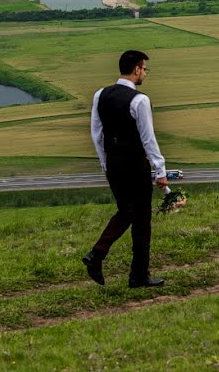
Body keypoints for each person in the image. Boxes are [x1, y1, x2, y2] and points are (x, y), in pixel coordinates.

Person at [83, 50, 167, 288]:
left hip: (113, 162)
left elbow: (96, 133)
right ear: (137, 69)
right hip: (134, 163)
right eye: (144, 69)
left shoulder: (100, 95)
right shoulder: (139, 100)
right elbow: (147, 137)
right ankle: (118, 265)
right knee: (140, 218)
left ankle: (118, 265)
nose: (145, 74)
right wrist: (160, 170)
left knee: (127, 211)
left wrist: (104, 162)